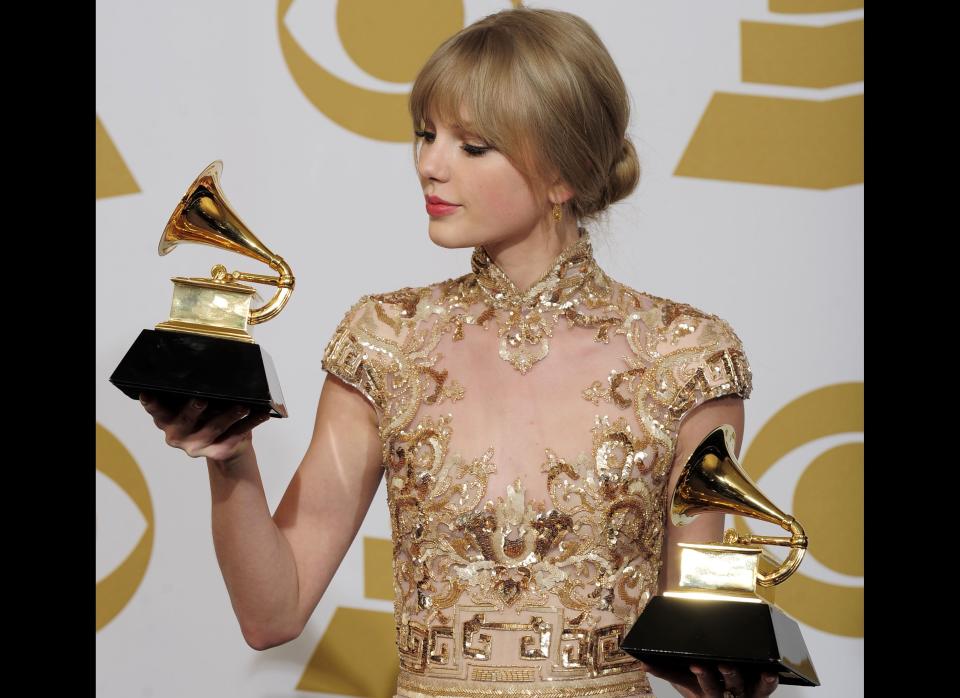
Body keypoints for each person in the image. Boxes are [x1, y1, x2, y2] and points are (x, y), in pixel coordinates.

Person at [139, 7, 778, 698]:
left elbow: (702, 639)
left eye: (472, 146)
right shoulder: (385, 341)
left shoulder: (684, 360)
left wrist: (742, 677)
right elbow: (272, 613)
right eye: (426, 134)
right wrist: (230, 453)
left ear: (563, 174)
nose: (429, 165)